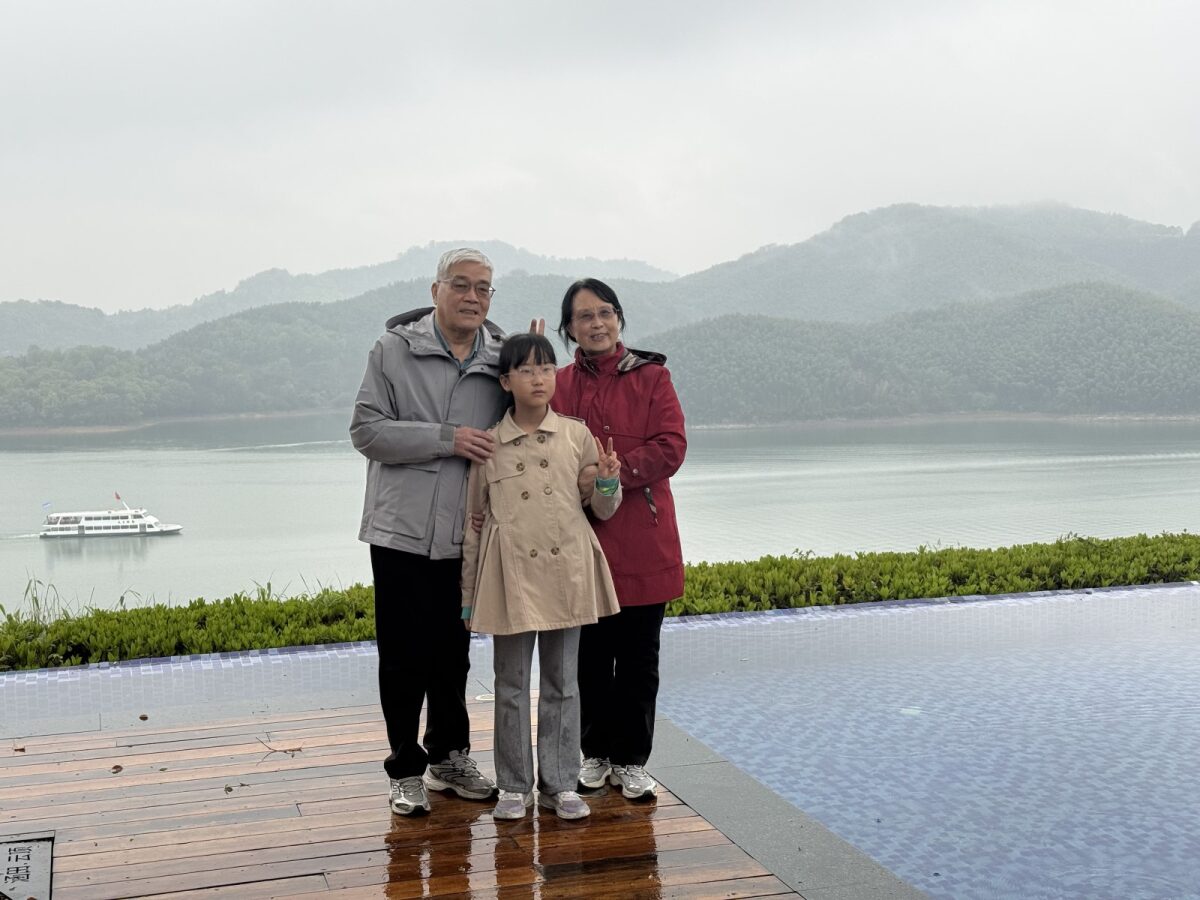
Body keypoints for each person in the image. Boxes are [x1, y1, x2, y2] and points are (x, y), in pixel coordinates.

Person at [350, 247, 507, 816]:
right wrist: (447, 437)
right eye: (461, 285)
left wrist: (540, 368)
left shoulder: (501, 358)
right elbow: (367, 432)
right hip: (401, 532)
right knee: (402, 657)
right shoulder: (393, 350)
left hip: (467, 535)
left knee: (453, 653)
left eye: (483, 288)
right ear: (436, 290)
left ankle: (448, 757)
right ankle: (404, 767)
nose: (472, 297)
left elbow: (528, 424)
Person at [461, 333, 623, 820]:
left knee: (564, 683)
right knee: (510, 684)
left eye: (547, 368)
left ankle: (561, 784)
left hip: (566, 570)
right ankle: (514, 786)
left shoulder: (576, 436)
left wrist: (609, 480)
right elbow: (474, 524)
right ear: (505, 381)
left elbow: (602, 509)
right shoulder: (489, 444)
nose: (539, 378)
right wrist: (469, 595)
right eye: (527, 370)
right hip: (509, 576)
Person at [551, 278, 687, 800]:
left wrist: (613, 473)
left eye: (605, 312)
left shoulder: (652, 377)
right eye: (584, 316)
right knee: (587, 658)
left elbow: (671, 447)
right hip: (580, 542)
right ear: (569, 329)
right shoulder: (558, 384)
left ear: (619, 319)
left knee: (637, 661)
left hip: (643, 540)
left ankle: (631, 760)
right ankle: (595, 753)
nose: (597, 323)